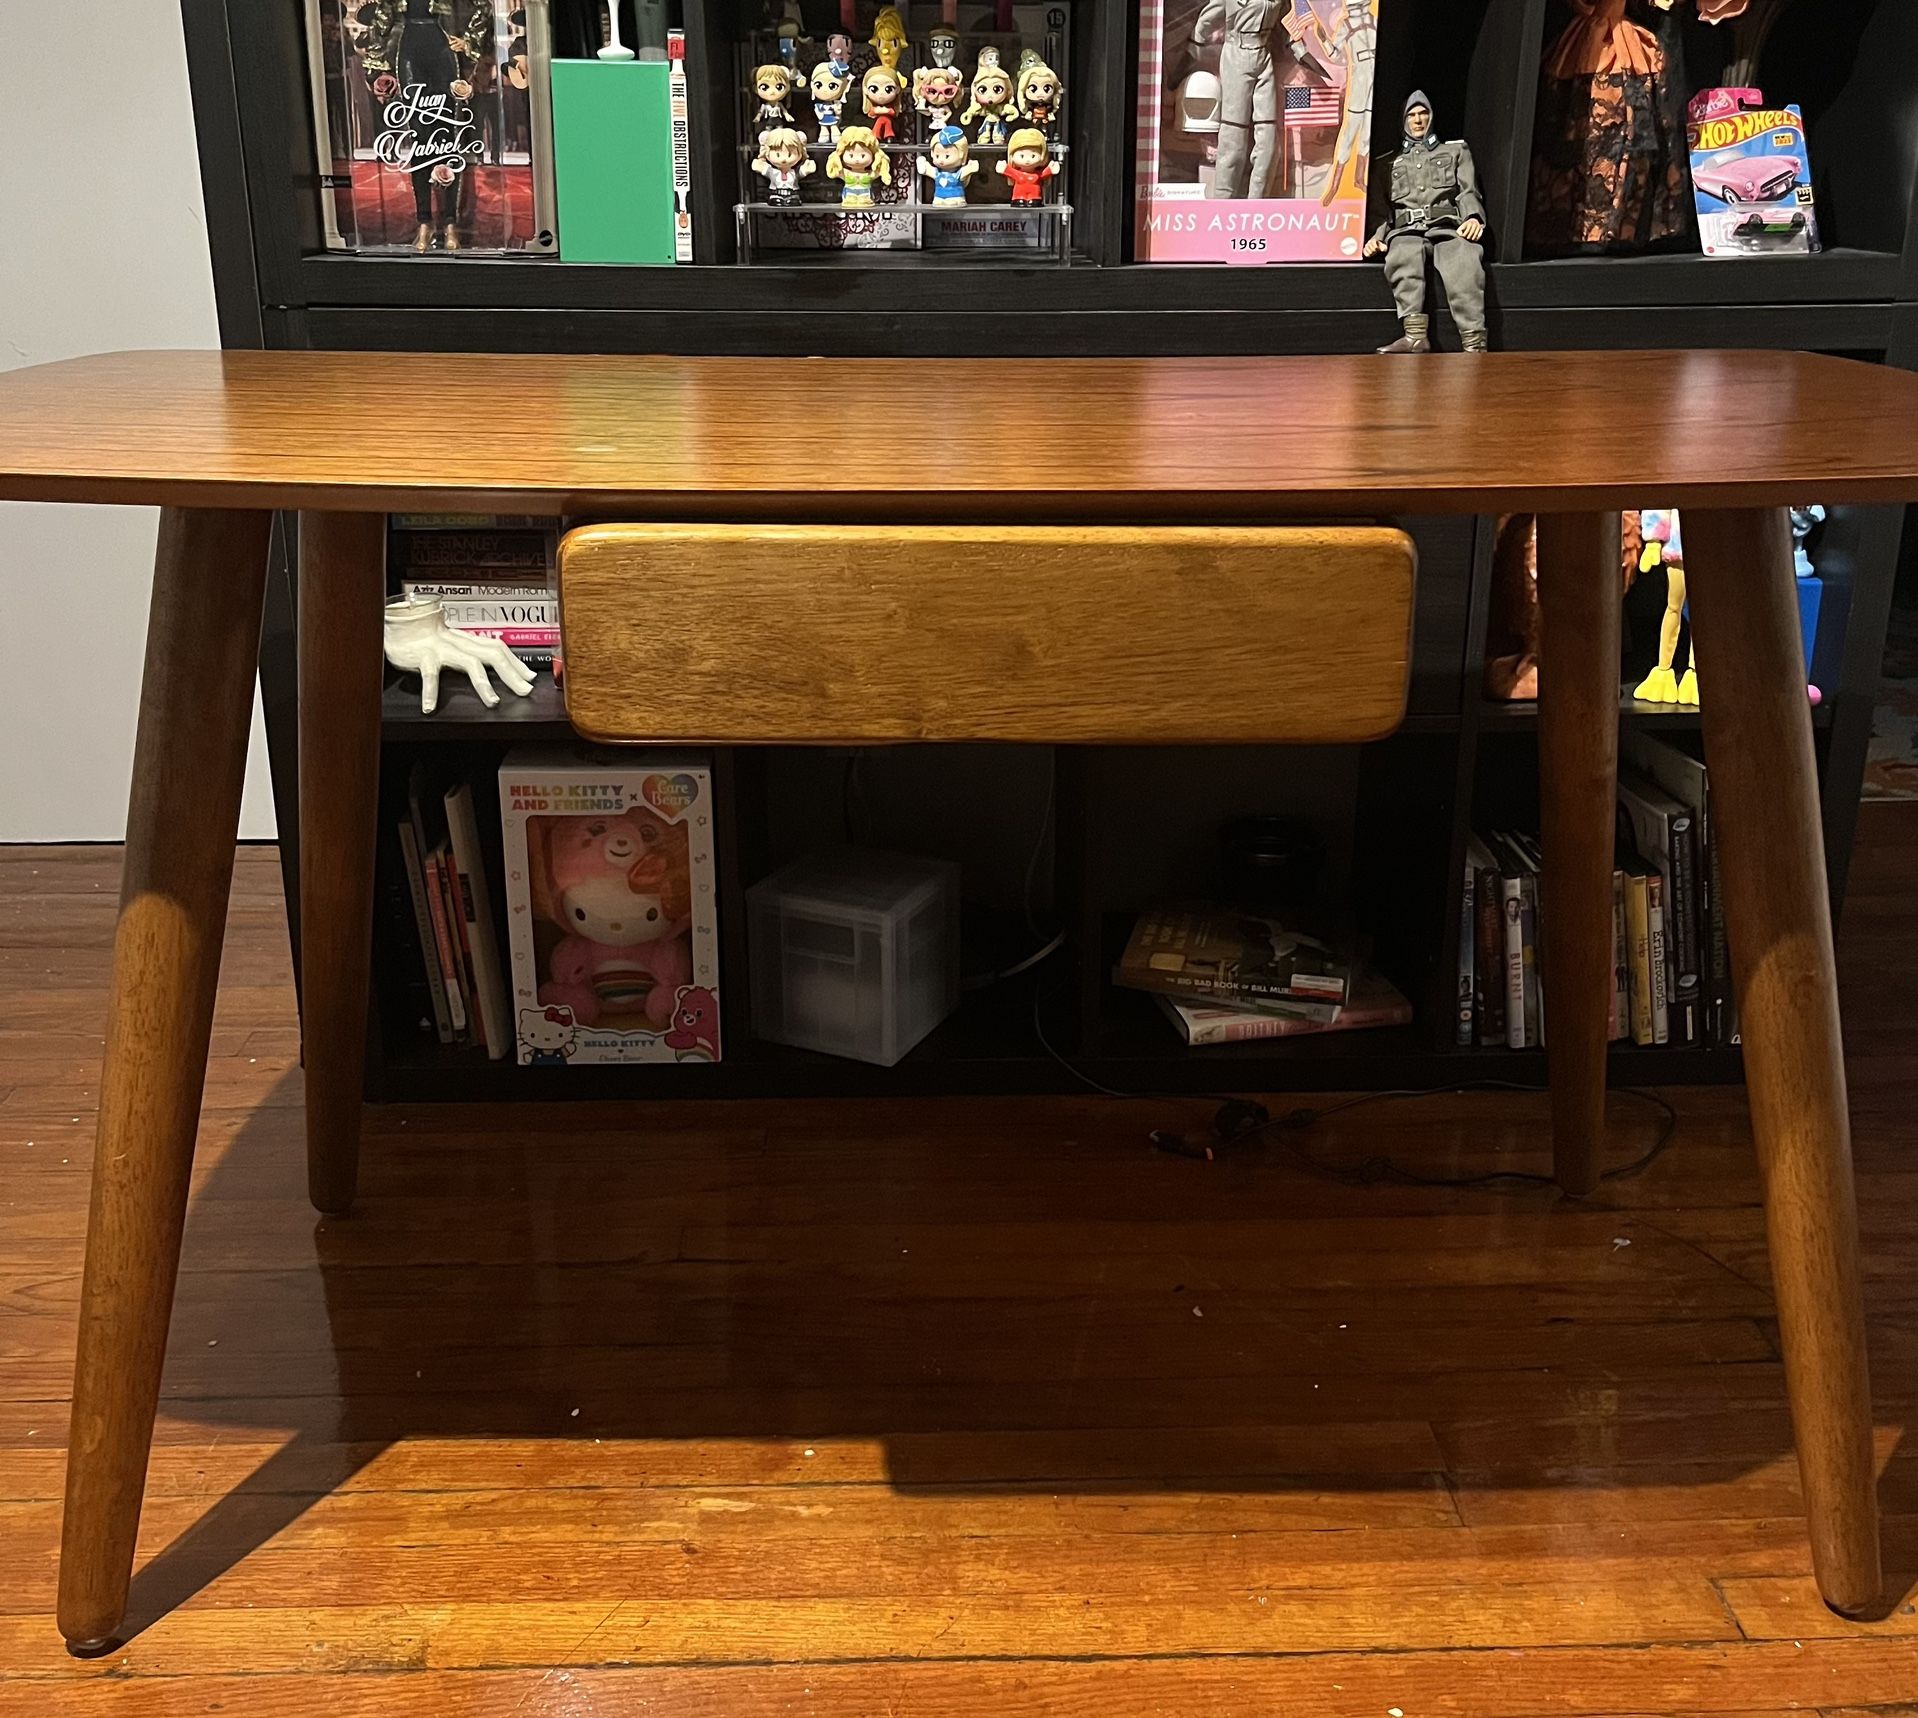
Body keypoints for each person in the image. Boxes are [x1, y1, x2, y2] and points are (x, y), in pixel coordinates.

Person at [1364, 91, 1488, 353]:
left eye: (1423, 113)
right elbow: (1380, 209)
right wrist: (1376, 236)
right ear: (1403, 120)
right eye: (1412, 115)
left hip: (1447, 225)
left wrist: (1473, 217)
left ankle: (1474, 343)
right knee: (1402, 257)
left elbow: (1468, 191)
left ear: (1431, 117)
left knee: (1466, 262)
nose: (1418, 120)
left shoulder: (1455, 151)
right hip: (1406, 230)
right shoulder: (1387, 163)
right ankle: (1415, 336)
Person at [1192, 0, 1305, 200]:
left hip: (1263, 57)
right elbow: (1205, 21)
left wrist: (1301, 51)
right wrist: (1192, 52)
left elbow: (1287, 23)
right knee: (1233, 134)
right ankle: (1223, 201)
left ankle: (1257, 200)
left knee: (1268, 137)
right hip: (1236, 56)